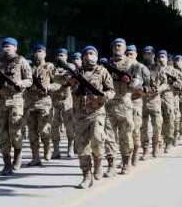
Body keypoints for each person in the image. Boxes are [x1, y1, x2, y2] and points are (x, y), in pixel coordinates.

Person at [68, 45, 116, 189]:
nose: (89, 56)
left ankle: (99, 162)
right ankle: (86, 176)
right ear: (82, 57)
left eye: (92, 53)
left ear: (96, 55)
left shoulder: (102, 72)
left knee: (97, 139)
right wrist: (71, 83)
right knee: (82, 147)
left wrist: (105, 95)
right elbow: (67, 87)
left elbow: (111, 90)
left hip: (97, 111)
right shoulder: (77, 72)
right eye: (86, 54)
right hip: (81, 113)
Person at [0, 38, 33, 175]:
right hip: (0, 101)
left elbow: (29, 79)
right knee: (2, 134)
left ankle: (18, 153)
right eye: (4, 46)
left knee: (15, 132)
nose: (7, 48)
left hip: (16, 99)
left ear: (15, 47)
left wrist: (21, 83)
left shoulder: (21, 61)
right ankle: (7, 163)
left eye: (9, 46)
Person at [103, 38, 143, 176]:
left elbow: (138, 83)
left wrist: (129, 81)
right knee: (108, 137)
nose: (117, 47)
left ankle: (126, 162)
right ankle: (111, 165)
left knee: (125, 135)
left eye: (119, 45)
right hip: (108, 103)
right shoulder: (105, 64)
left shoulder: (132, 64)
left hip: (124, 102)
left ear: (125, 48)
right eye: (114, 45)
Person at [23, 43, 60, 167]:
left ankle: (47, 146)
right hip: (30, 103)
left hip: (44, 102)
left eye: (40, 51)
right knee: (32, 132)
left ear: (45, 53)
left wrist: (48, 86)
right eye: (36, 51)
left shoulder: (50, 67)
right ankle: (35, 157)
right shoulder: (29, 68)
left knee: (44, 130)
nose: (38, 53)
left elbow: (58, 84)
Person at [139, 46, 168, 159]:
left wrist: (159, 89)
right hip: (142, 101)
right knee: (143, 128)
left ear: (154, 55)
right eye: (146, 53)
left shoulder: (159, 67)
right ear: (143, 55)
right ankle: (145, 150)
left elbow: (165, 83)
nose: (148, 55)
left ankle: (156, 146)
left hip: (155, 101)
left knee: (157, 125)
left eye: (150, 53)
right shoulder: (139, 67)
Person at [49, 48, 74, 159]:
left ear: (66, 56)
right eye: (59, 55)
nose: (61, 57)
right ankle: (56, 149)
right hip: (54, 99)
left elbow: (67, 80)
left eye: (63, 55)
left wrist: (58, 80)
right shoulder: (52, 68)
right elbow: (48, 79)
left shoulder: (71, 67)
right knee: (54, 125)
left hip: (66, 99)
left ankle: (70, 146)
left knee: (69, 125)